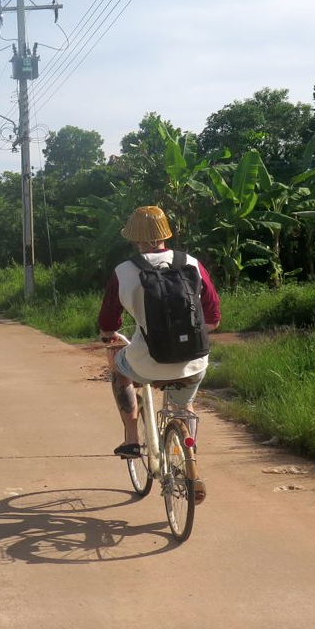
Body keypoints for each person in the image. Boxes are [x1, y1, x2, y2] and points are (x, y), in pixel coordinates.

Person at [97, 206, 221, 496]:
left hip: (146, 363)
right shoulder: (191, 262)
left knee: (119, 369)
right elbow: (213, 318)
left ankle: (131, 438)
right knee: (183, 405)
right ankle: (189, 461)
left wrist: (108, 336)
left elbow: (108, 322)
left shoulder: (123, 271)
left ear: (134, 238)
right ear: (165, 234)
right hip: (193, 361)